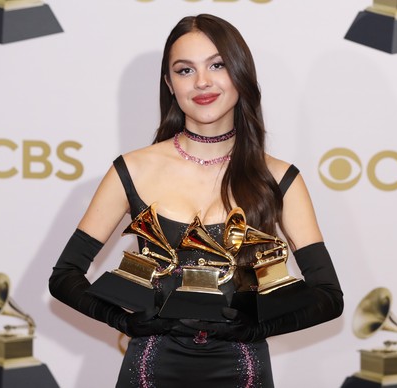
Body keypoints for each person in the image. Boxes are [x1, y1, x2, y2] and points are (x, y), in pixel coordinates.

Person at [49, 14, 343, 388]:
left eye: (217, 65)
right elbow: (64, 277)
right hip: (149, 371)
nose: (202, 82)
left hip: (244, 373)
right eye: (185, 70)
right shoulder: (132, 169)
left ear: (240, 73)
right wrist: (124, 321)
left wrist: (258, 327)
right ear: (169, 84)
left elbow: (328, 297)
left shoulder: (280, 178)